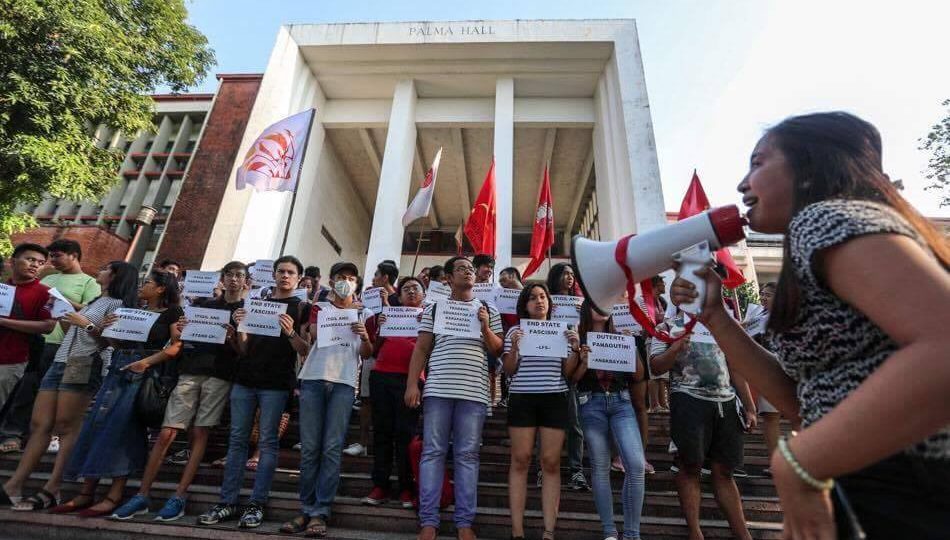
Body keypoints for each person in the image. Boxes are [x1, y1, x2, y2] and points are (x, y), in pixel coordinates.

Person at [670, 111, 950, 538]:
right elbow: (803, 400)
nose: (744, 184)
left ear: (810, 170)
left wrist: (799, 462)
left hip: (907, 483)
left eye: (759, 163)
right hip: (875, 480)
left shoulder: (821, 220)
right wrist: (716, 317)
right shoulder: (821, 238)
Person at [109, 262, 248, 521]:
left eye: (239, 275)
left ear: (246, 282)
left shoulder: (246, 311)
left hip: (220, 376)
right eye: (228, 274)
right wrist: (183, 328)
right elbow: (183, 341)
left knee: (199, 432)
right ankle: (142, 495)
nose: (233, 279)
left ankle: (179, 496)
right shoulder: (204, 306)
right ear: (222, 278)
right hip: (190, 371)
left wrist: (232, 338)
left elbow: (244, 353)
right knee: (166, 433)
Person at [0, 261, 137, 510]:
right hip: (61, 359)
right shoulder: (96, 300)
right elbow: (71, 329)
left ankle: (53, 487)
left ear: (116, 276)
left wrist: (83, 322)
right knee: (40, 424)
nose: (101, 271)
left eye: (106, 269)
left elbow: (111, 342)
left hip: (85, 363)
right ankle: (14, 484)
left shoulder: (119, 305)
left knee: (66, 426)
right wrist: (62, 315)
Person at [56, 269, 184, 517]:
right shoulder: (132, 310)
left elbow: (176, 346)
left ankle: (114, 494)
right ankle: (86, 491)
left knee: (124, 428)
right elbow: (115, 343)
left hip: (144, 371)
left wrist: (146, 363)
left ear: (160, 289)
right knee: (98, 424)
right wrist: (109, 330)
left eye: (147, 283)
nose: (141, 286)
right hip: (118, 366)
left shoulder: (173, 312)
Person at [198, 255, 309, 529]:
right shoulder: (256, 304)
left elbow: (305, 350)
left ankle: (256, 503)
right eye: (281, 271)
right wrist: (237, 330)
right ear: (273, 275)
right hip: (245, 379)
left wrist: (291, 332)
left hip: (277, 383)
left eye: (290, 272)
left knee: (268, 443)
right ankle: (227, 502)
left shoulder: (302, 307)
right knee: (237, 440)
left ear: (298, 279)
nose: (285, 276)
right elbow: (244, 350)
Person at [405, 256, 504, 540]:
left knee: (468, 456)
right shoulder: (434, 309)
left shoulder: (488, 309)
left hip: (473, 393)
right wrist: (413, 384)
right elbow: (421, 349)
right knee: (432, 453)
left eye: (471, 269)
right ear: (448, 277)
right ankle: (428, 521)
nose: (468, 272)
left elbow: (498, 350)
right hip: (438, 389)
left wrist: (484, 326)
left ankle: (464, 523)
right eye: (461, 268)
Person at [280, 262, 373, 537]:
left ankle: (321, 511)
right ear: (331, 282)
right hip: (313, 380)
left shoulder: (365, 313)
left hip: (344, 384)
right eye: (341, 278)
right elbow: (311, 344)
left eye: (351, 278)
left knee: (331, 448)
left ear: (357, 284)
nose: (346, 282)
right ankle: (306, 508)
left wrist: (366, 335)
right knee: (310, 448)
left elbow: (367, 353)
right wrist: (292, 333)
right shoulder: (319, 308)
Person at [649, 306, 756, 540]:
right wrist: (676, 347)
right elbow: (655, 366)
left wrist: (749, 406)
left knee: (725, 471)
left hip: (726, 403)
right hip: (688, 402)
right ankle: (695, 532)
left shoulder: (721, 326)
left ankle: (742, 533)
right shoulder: (666, 327)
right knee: (690, 467)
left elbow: (735, 366)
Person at [0, 239, 101, 454]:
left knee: (53, 394)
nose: (50, 261)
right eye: (50, 257)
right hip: (41, 345)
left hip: (67, 348)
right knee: (26, 390)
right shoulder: (48, 279)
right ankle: (15, 432)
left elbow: (91, 313)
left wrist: (62, 300)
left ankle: (40, 435)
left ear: (74, 255)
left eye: (56, 256)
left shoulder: (88, 282)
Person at [503, 284, 580, 540]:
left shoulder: (564, 332)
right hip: (522, 398)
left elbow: (568, 373)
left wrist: (576, 349)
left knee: (550, 462)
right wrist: (514, 347)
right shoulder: (515, 330)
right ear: (524, 305)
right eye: (532, 298)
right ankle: (517, 531)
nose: (539, 301)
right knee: (521, 459)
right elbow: (509, 370)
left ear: (550, 302)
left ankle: (549, 531)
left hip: (554, 398)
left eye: (543, 297)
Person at [572, 298, 648, 540]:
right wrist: (583, 360)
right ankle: (609, 532)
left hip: (621, 402)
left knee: (636, 465)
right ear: (586, 309)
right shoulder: (579, 338)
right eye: (596, 304)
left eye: (605, 305)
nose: (602, 308)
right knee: (600, 466)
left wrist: (631, 346)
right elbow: (572, 379)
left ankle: (632, 534)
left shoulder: (622, 336)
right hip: (590, 403)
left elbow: (638, 375)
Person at [361, 277, 425, 508]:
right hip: (381, 377)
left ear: (423, 296)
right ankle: (380, 485)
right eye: (405, 288)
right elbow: (373, 352)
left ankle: (407, 488)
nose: (410, 291)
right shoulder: (388, 316)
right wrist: (381, 328)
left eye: (414, 288)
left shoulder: (429, 317)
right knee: (382, 433)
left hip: (410, 381)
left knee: (405, 435)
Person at [544, 262, 589, 492]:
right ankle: (545, 469)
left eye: (572, 274)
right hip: (549, 364)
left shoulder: (581, 303)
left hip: (573, 363)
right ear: (555, 276)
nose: (570, 277)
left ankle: (576, 470)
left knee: (574, 424)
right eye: (565, 273)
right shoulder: (545, 300)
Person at [0, 244, 56, 408]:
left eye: (40, 262)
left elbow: (48, 326)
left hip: (9, 361)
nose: (35, 265)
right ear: (13, 261)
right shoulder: (3, 287)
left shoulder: (46, 293)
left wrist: (3, 321)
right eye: (30, 259)